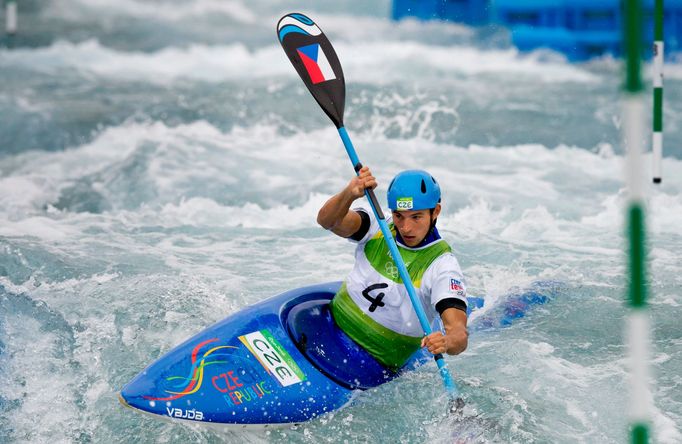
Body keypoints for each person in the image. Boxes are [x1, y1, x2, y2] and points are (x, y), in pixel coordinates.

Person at [317, 166, 468, 371]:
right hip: (328, 326)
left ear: (436, 212)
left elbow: (458, 333)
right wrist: (349, 194)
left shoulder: (442, 266)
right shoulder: (378, 225)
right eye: (399, 216)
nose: (405, 227)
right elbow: (327, 221)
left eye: (416, 217)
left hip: (374, 362)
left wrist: (447, 342)